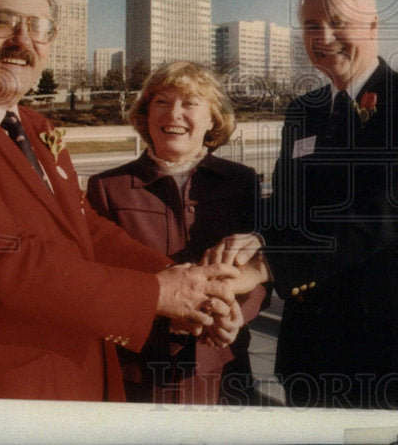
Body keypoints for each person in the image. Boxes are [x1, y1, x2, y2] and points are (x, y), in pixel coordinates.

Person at [0, 0, 239, 401]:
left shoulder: (38, 128)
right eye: (0, 21)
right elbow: (1, 263)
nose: (22, 40)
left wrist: (186, 283)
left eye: (39, 27)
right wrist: (156, 294)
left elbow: (88, 232)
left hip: (77, 375)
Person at [212, 0, 398, 409]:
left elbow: (384, 213)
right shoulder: (305, 110)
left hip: (389, 336)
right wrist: (258, 238)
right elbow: (286, 200)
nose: (323, 37)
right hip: (312, 337)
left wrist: (268, 264)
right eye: (310, 25)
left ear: (373, 26)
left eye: (338, 22)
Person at [86, 61, 266, 405]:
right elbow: (100, 279)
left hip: (224, 369)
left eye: (190, 103)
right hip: (141, 373)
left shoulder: (241, 181)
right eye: (162, 102)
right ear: (145, 115)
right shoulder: (108, 188)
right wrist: (166, 317)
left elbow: (260, 268)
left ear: (213, 118)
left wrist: (236, 313)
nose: (174, 114)